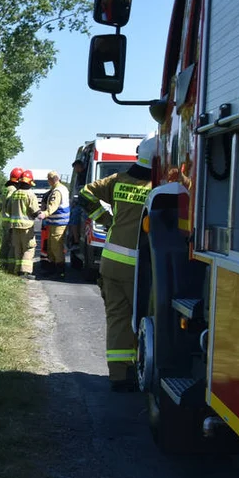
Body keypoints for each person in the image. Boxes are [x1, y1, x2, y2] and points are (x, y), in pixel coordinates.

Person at [76, 135, 155, 392]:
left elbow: (84, 193)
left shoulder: (119, 180)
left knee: (118, 318)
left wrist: (107, 219)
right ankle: (144, 371)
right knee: (145, 321)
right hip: (140, 268)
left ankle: (119, 376)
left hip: (110, 262)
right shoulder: (158, 186)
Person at [4, 169, 41, 279]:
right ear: (30, 183)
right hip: (27, 228)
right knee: (28, 248)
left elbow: (8, 209)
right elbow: (34, 211)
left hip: (14, 227)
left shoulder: (15, 194)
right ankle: (25, 272)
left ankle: (17, 270)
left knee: (17, 248)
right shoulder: (30, 195)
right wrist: (41, 213)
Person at [37, 171, 70, 279]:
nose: (48, 181)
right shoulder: (62, 188)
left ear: (52, 179)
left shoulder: (57, 191)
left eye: (48, 179)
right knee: (52, 246)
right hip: (56, 222)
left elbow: (53, 206)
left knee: (56, 247)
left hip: (58, 223)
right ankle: (54, 269)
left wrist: (45, 213)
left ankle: (60, 271)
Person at [0, 167, 24, 270]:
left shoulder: (6, 189)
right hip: (11, 222)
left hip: (5, 221)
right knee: (12, 245)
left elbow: (0, 205)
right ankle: (10, 267)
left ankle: (2, 264)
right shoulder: (13, 190)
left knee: (5, 244)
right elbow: (12, 205)